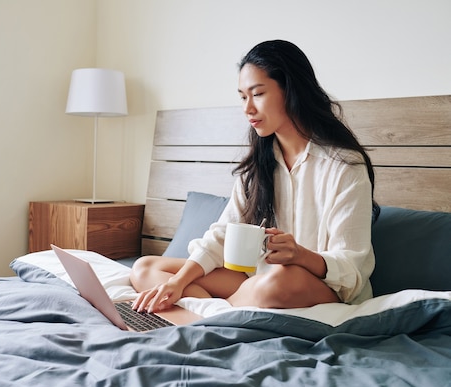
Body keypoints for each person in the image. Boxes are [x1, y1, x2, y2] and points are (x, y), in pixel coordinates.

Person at [130, 39, 379, 314]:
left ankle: (215, 309)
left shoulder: (343, 166)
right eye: (242, 97)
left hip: (321, 288)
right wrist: (177, 283)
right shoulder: (259, 165)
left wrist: (300, 255)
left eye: (257, 94)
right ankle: (219, 312)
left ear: (291, 91)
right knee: (145, 268)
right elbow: (223, 235)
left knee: (279, 278)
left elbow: (351, 266)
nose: (247, 108)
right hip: (258, 281)